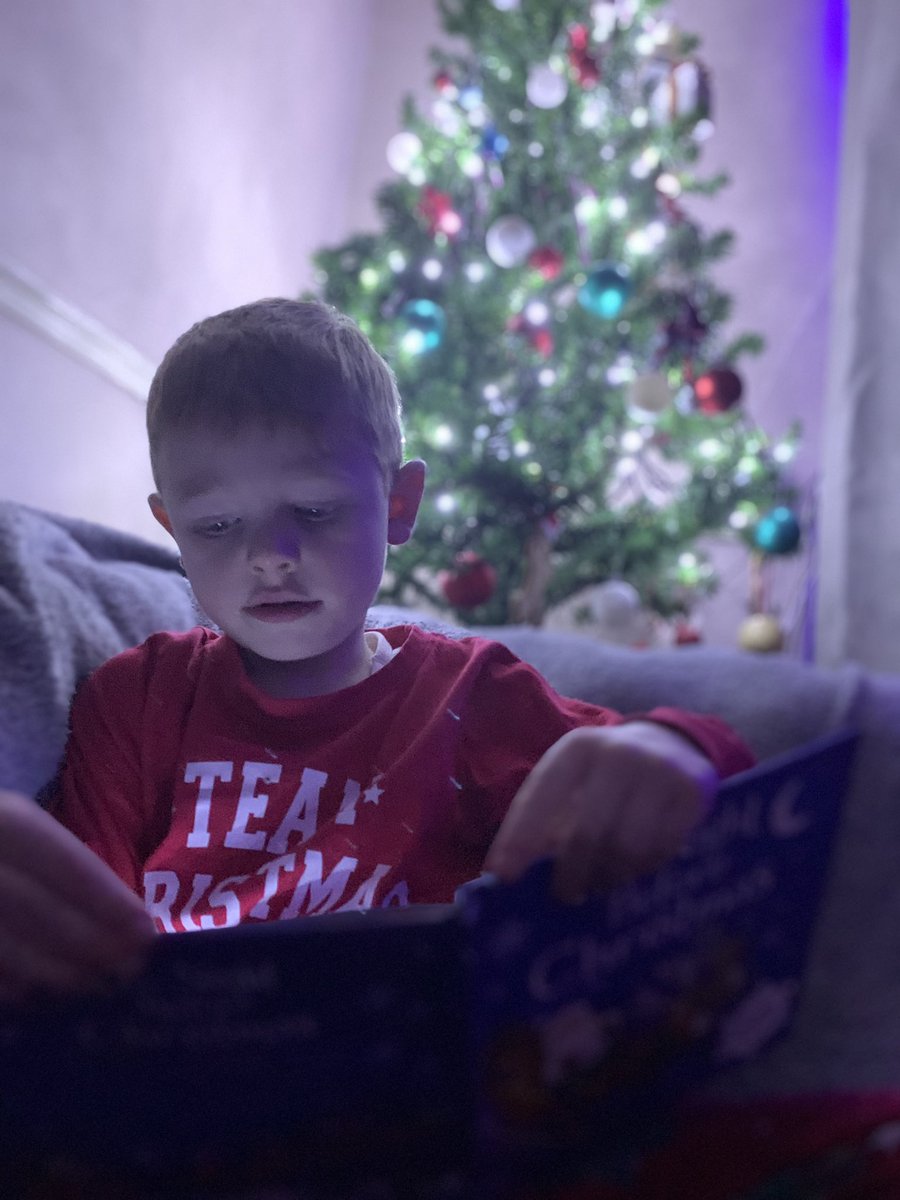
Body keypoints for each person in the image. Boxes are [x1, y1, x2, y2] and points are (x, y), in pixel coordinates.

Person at [0, 298, 753, 1004]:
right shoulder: (136, 699)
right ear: (170, 529)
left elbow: (703, 780)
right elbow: (75, 942)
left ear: (399, 505)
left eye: (316, 509)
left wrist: (675, 748)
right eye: (218, 526)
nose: (270, 556)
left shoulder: (471, 695)